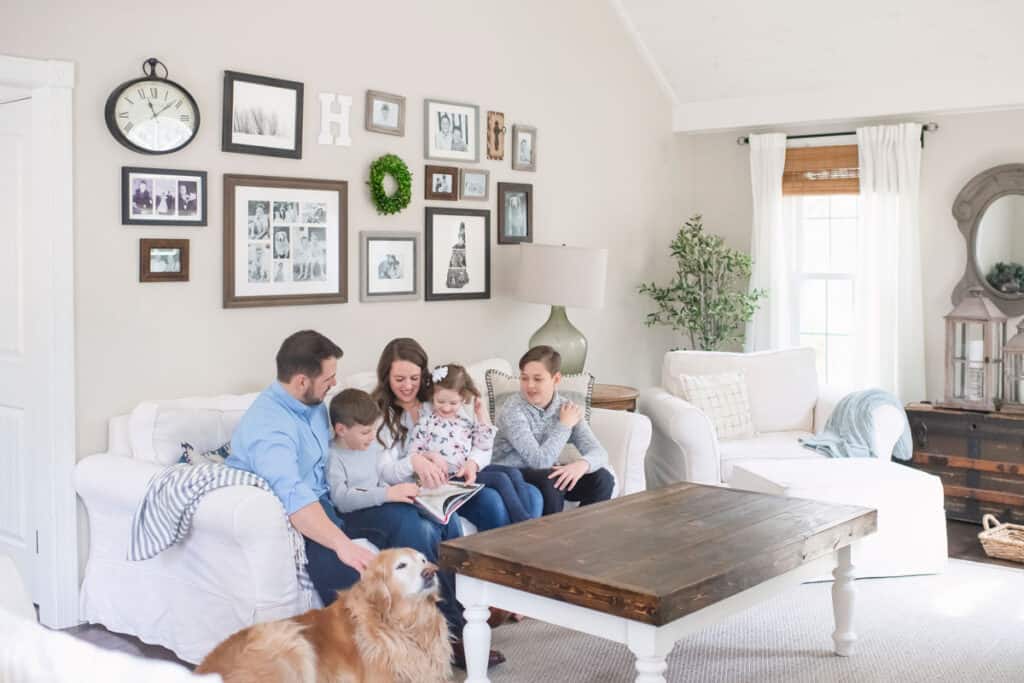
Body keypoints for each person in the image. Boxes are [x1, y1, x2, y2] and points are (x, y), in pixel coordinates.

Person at [225, 331, 376, 609]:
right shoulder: (270, 428)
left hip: (329, 496)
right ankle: (357, 646)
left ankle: (444, 626)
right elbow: (292, 494)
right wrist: (342, 544)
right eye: (329, 378)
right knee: (343, 566)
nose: (334, 383)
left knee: (410, 523)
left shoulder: (313, 403)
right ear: (301, 381)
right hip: (300, 511)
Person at [324, 388, 471, 662]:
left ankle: (463, 615)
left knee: (446, 519)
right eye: (365, 433)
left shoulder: (371, 446)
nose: (372, 439)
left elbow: (385, 474)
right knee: (413, 526)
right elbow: (342, 500)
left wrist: (415, 477)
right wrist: (387, 494)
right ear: (341, 430)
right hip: (357, 515)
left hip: (383, 503)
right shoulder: (335, 456)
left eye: (373, 431)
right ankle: (449, 630)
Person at [406, 364, 538, 524]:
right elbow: (414, 455)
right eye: (440, 401)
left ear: (463, 399)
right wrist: (430, 456)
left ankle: (528, 518)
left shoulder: (464, 421)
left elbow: (483, 444)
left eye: (453, 403)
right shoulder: (426, 423)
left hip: (467, 472)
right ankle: (523, 521)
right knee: (500, 479)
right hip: (450, 478)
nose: (446, 408)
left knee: (514, 473)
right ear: (432, 396)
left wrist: (480, 415)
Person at [491, 345, 614, 515]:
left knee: (603, 479)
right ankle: (550, 539)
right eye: (524, 378)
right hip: (510, 473)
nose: (529, 385)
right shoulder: (512, 410)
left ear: (556, 379)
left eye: (537, 379)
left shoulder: (566, 408)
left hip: (545, 472)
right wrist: (564, 426)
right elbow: (539, 462)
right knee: (552, 479)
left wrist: (581, 465)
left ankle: (581, 534)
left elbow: (600, 453)